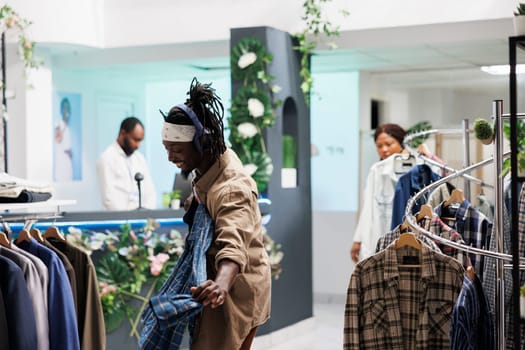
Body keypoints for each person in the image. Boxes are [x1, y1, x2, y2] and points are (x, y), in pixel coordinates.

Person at [139, 78, 271, 350]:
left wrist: (221, 285)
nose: (170, 158)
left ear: (201, 143)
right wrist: (196, 199)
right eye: (167, 149)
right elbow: (209, 192)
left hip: (234, 289)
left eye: (176, 150)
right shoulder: (214, 161)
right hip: (220, 284)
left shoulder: (232, 188)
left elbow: (233, 246)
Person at [350, 123, 407, 263]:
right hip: (378, 237)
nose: (384, 150)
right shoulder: (376, 171)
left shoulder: (415, 168)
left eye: (389, 144)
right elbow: (367, 209)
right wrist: (358, 239)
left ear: (401, 143)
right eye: (379, 146)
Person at [96, 117, 157, 210]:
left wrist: (147, 215)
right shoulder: (107, 158)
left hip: (142, 219)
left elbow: (150, 193)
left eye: (140, 140)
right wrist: (128, 218)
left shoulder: (140, 158)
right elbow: (108, 199)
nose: (138, 145)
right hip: (120, 220)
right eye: (135, 140)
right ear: (123, 133)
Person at [53, 97, 73, 181]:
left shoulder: (68, 126)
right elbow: (58, 139)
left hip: (67, 161)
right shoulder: (58, 123)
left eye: (68, 108)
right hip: (61, 161)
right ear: (61, 110)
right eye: (64, 108)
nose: (66, 110)